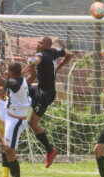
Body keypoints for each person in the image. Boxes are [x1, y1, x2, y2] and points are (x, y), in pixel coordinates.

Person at [25, 37, 72, 167]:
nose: (37, 43)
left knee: (32, 123)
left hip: (44, 94)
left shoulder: (42, 54)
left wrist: (30, 61)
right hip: (40, 89)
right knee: (21, 88)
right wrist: (59, 67)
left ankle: (51, 150)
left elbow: (36, 60)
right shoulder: (54, 52)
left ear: (46, 44)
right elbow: (69, 54)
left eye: (40, 42)